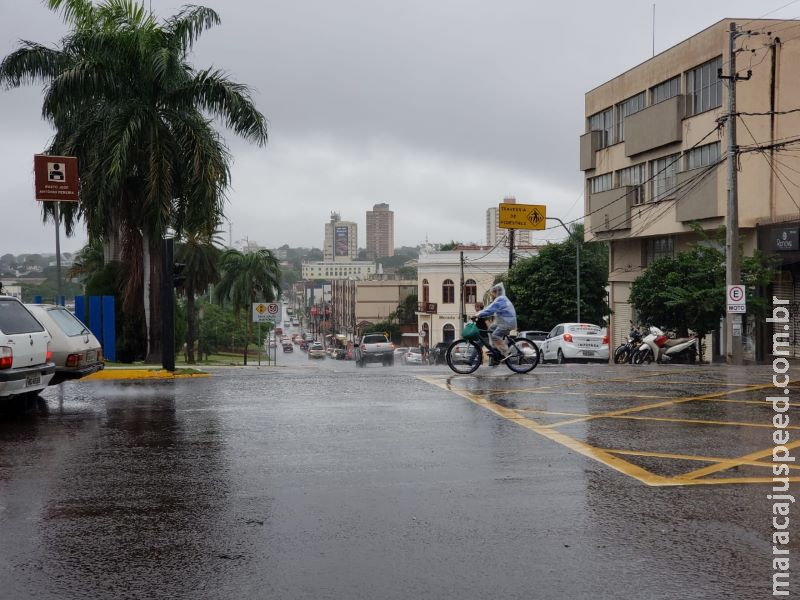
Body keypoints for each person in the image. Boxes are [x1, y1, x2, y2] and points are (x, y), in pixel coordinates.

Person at [475, 283, 517, 366]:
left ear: (496, 292)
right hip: (503, 322)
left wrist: (478, 314)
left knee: (495, 336)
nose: (492, 295)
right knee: (490, 329)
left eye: (493, 293)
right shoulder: (501, 299)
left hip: (507, 322)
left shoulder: (500, 299)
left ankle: (506, 353)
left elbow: (490, 310)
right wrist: (480, 313)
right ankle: (495, 349)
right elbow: (489, 309)